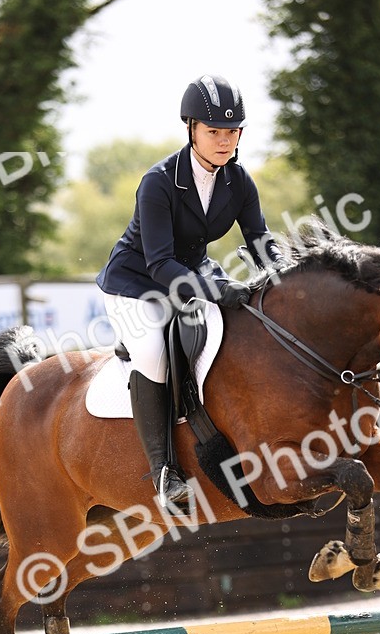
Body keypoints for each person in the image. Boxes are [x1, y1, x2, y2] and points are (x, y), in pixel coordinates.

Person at [96, 73, 282, 512]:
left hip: (193, 274)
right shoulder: (158, 181)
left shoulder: (238, 181)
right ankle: (163, 472)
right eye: (214, 131)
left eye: (232, 131)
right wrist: (217, 288)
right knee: (151, 353)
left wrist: (285, 272)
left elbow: (259, 238)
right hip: (137, 284)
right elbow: (159, 262)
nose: (224, 140)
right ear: (191, 129)